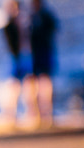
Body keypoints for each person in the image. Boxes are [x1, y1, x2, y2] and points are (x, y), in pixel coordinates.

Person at [26, 0, 59, 128]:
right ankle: (36, 114)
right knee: (33, 84)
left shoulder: (44, 16)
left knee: (45, 82)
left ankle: (47, 114)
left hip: (43, 53)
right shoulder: (31, 17)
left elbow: (52, 30)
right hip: (33, 55)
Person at [1, 0, 30, 127]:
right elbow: (13, 45)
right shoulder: (9, 26)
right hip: (16, 58)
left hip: (24, 57)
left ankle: (29, 113)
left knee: (28, 85)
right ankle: (10, 115)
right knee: (15, 87)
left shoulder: (24, 23)